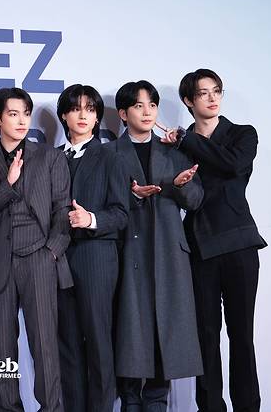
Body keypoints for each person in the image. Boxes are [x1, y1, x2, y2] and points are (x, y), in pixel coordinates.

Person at [162, 68, 267, 412]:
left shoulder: (241, 134)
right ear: (188, 101)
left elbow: (233, 165)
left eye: (216, 91)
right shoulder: (177, 145)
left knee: (241, 337)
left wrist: (187, 141)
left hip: (238, 244)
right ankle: (209, 407)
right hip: (200, 248)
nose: (212, 98)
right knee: (205, 336)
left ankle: (248, 407)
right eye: (203, 93)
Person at [107, 80, 203, 412]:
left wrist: (178, 187)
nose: (147, 112)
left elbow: (195, 200)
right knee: (130, 338)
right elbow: (102, 202)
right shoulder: (109, 153)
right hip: (127, 255)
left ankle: (157, 403)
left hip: (167, 256)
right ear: (123, 113)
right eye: (138, 105)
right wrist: (132, 196)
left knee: (165, 338)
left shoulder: (172, 151)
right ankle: (130, 402)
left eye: (152, 105)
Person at [0, 87, 71, 412]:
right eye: (13, 114)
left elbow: (63, 210)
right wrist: (7, 184)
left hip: (39, 256)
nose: (21, 121)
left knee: (46, 346)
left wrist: (52, 251)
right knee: (0, 351)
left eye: (25, 114)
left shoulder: (49, 156)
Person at [54, 84, 128, 412]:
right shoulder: (51, 157)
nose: (83, 115)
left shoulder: (111, 155)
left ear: (98, 116)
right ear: (63, 115)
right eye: (75, 108)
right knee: (66, 344)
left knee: (99, 343)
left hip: (96, 257)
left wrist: (91, 219)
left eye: (90, 109)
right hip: (57, 259)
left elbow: (121, 213)